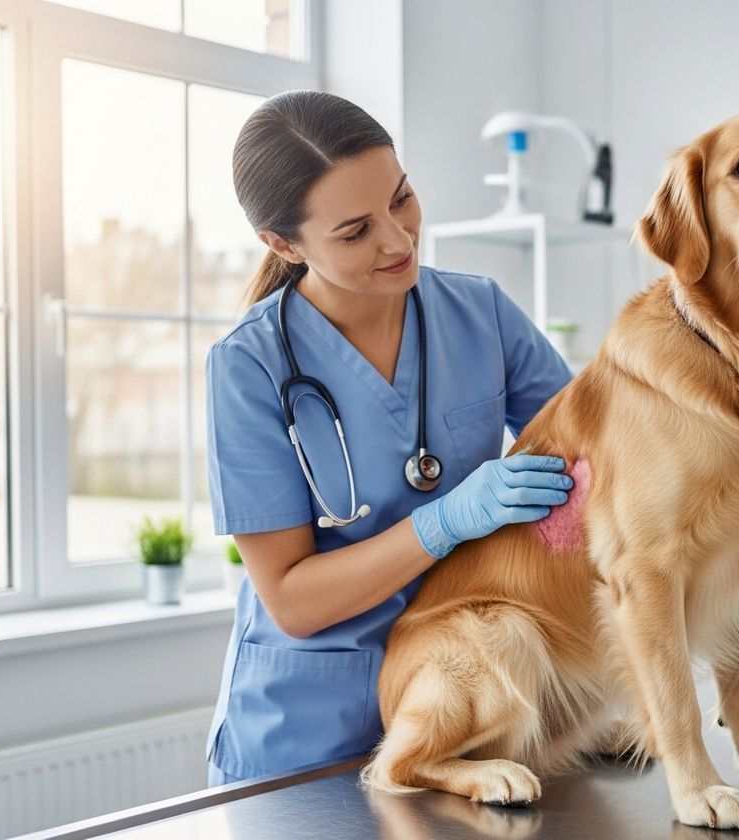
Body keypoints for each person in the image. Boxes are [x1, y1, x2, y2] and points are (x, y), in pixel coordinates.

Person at [203, 90, 574, 786]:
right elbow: (292, 599)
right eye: (354, 231)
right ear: (284, 245)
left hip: (466, 705)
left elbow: (595, 456)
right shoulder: (249, 366)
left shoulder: (481, 312)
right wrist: (446, 522)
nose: (399, 240)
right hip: (307, 732)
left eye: (401, 199)